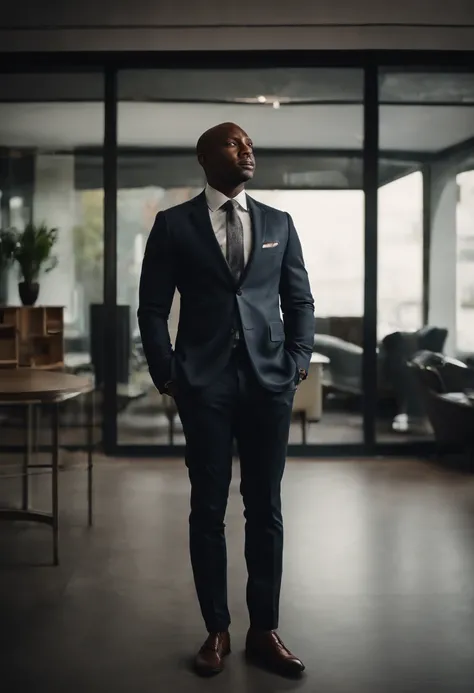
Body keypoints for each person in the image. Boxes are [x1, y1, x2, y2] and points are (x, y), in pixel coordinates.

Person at [138, 122, 315, 677]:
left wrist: (297, 363)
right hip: (203, 384)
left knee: (266, 508)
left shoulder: (279, 224)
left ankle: (265, 629)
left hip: (269, 384)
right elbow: (150, 308)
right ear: (204, 156)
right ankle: (217, 629)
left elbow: (299, 299)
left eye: (251, 144)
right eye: (235, 143)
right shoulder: (172, 225)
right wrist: (169, 375)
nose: (248, 151)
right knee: (207, 509)